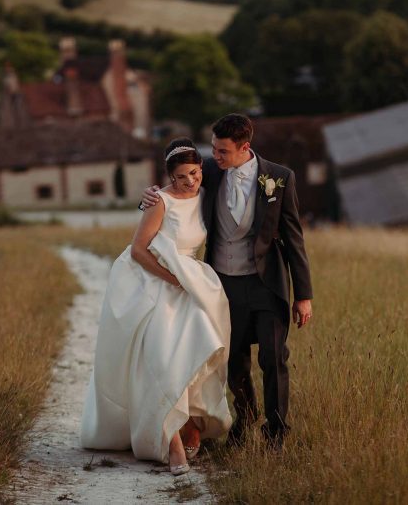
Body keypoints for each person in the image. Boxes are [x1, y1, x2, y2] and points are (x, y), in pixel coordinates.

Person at [140, 114, 313, 450]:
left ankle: (276, 432)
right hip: (222, 285)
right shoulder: (207, 171)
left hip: (268, 284)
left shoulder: (279, 178)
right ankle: (244, 420)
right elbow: (175, 187)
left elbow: (295, 239)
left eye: (221, 151)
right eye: (214, 150)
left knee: (273, 357)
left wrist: (303, 295)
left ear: (244, 147)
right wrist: (147, 197)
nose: (213, 156)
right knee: (233, 359)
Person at [80, 138, 232, 476]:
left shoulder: (207, 192)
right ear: (169, 177)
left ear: (201, 169)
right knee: (160, 356)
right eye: (180, 177)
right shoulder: (159, 200)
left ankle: (192, 422)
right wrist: (171, 279)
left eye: (194, 173)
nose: (189, 181)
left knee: (201, 346)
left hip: (192, 282)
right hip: (155, 281)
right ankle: (171, 440)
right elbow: (138, 250)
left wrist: (185, 282)